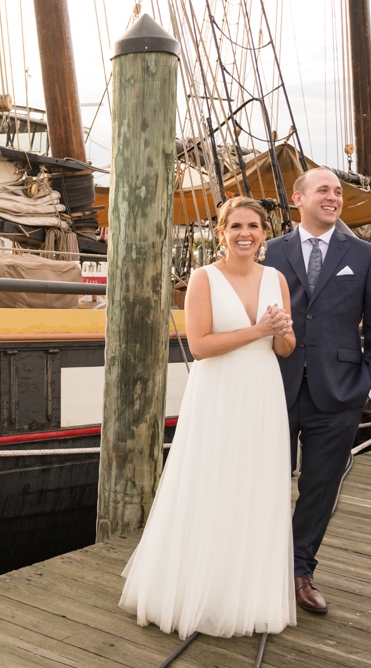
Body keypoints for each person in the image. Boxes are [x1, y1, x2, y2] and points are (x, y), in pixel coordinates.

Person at [119, 196, 298, 639]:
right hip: (218, 391)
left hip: (263, 391)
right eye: (235, 225)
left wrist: (283, 333)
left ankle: (243, 593)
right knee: (212, 479)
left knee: (254, 485)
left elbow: (285, 349)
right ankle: (193, 590)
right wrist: (259, 329)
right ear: (221, 233)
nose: (245, 233)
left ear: (264, 233)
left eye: (254, 226)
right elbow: (199, 346)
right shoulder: (203, 279)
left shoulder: (277, 279)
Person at [264, 168, 371, 615]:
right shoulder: (271, 251)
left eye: (338, 192)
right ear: (298, 198)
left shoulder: (364, 255)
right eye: (324, 190)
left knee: (320, 486)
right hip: (274, 387)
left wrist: (370, 385)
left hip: (338, 393)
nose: (333, 197)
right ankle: (260, 567)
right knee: (265, 481)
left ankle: (301, 570)